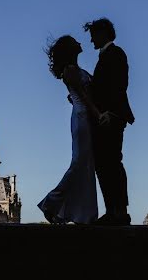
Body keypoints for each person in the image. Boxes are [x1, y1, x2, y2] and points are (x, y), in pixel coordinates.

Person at [38, 35, 101, 225]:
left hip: (82, 115)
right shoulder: (71, 70)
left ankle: (84, 215)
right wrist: (98, 115)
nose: (80, 43)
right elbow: (84, 96)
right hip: (83, 118)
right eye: (75, 41)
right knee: (80, 164)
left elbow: (77, 95)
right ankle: (51, 203)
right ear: (69, 49)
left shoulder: (73, 70)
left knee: (86, 165)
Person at [84, 17, 134, 226]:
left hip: (110, 117)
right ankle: (114, 210)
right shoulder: (109, 55)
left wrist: (110, 113)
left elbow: (118, 86)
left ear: (103, 33)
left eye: (93, 35)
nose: (91, 40)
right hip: (108, 116)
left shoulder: (115, 53)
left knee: (110, 163)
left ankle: (118, 211)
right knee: (106, 164)